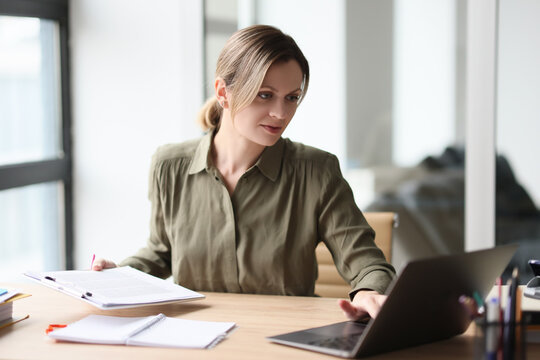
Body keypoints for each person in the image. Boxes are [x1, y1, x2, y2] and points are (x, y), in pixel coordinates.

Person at [93, 24, 395, 320]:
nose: (281, 113)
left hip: (282, 338)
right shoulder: (169, 166)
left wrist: (369, 290)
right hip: (193, 335)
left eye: (292, 97)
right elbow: (161, 252)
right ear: (223, 93)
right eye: (265, 95)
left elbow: (366, 262)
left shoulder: (316, 171)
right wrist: (118, 276)